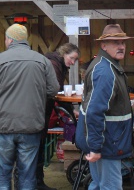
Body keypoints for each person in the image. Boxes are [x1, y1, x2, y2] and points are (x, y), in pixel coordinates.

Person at [0, 23, 59, 189]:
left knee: (2, 175)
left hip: (3, 126)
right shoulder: (42, 60)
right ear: (25, 40)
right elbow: (53, 89)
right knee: (27, 176)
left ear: (9, 40)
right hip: (31, 126)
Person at [75, 24, 134, 190]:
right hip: (107, 143)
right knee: (110, 186)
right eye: (115, 42)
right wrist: (95, 147)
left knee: (99, 184)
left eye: (122, 42)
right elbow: (94, 112)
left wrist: (94, 145)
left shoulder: (107, 65)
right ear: (103, 45)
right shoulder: (105, 71)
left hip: (105, 141)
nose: (121, 46)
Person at [35, 42, 80, 190]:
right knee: (37, 147)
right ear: (64, 53)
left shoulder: (56, 64)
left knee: (38, 146)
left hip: (42, 110)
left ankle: (37, 182)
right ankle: (37, 183)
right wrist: (69, 110)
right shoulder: (54, 65)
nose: (73, 62)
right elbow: (56, 91)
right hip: (40, 111)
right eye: (72, 58)